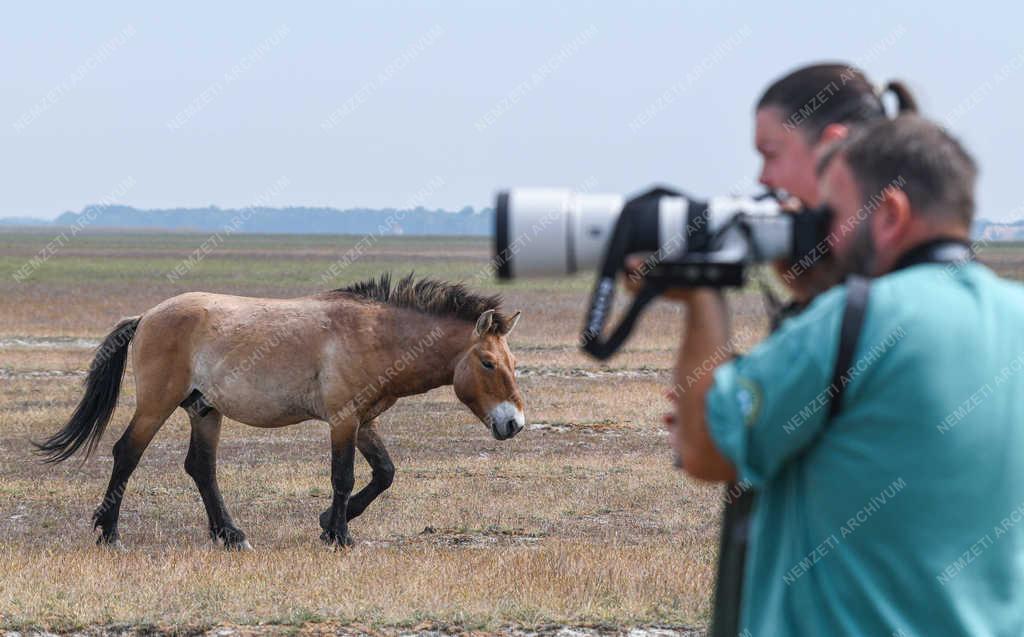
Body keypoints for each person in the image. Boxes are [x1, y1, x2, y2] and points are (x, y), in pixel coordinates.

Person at [671, 114, 1024, 634]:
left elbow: (704, 447)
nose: (820, 237)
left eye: (831, 215)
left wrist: (700, 291)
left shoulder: (855, 320)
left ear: (889, 215)